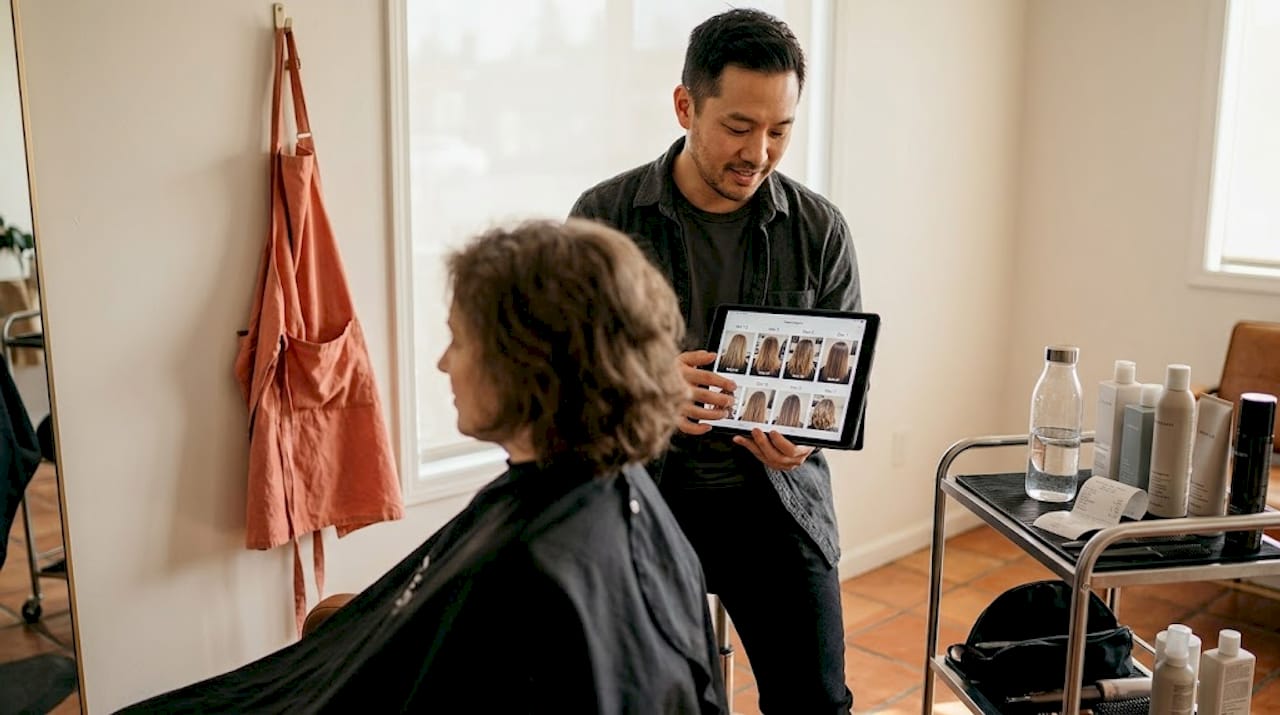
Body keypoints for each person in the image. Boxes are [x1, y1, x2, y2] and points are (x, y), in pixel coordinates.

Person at [119, 220, 728, 714]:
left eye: (458, 340)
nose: (442, 364)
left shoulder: (534, 570)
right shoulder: (618, 493)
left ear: (526, 365)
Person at [570, 8, 861, 713]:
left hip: (777, 504)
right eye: (738, 126)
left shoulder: (819, 230)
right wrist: (649, 384)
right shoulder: (604, 220)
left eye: (780, 130)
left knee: (819, 703)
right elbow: (561, 385)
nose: (759, 152)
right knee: (665, 703)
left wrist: (806, 431)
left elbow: (842, 382)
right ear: (684, 107)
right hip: (643, 497)